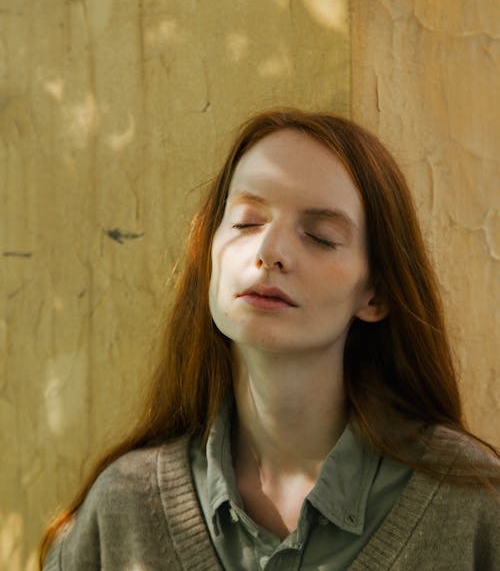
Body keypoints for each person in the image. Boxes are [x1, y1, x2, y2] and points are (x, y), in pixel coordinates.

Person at [40, 109, 499, 570]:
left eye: (319, 237)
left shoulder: (473, 505)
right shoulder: (123, 510)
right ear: (209, 253)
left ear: (375, 293)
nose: (269, 252)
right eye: (245, 222)